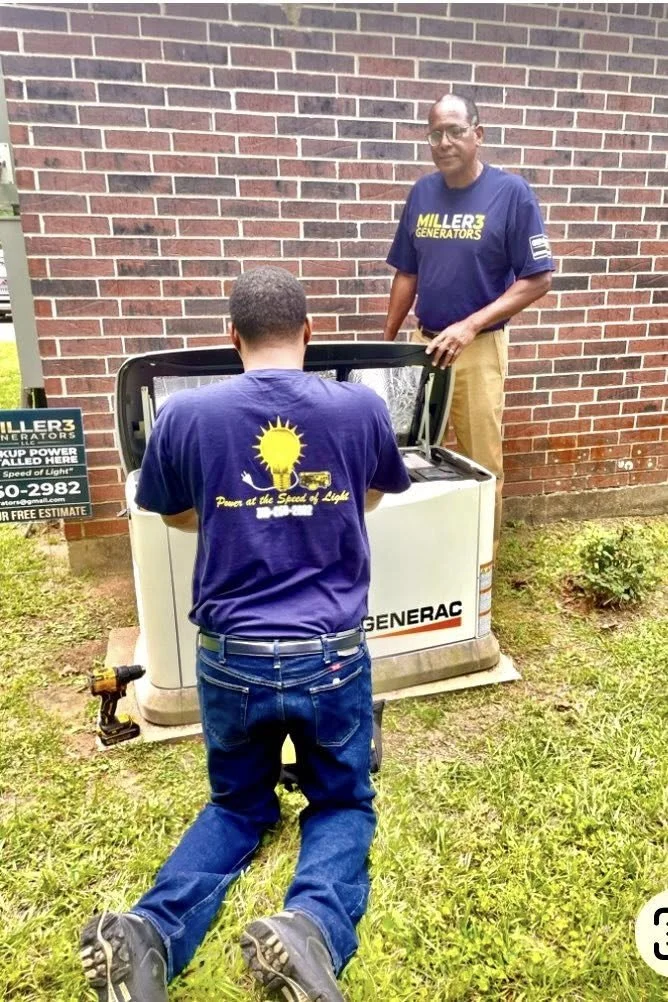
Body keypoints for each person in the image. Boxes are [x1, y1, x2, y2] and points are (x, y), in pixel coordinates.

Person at [79, 266, 410, 1002]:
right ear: (309, 333)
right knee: (342, 801)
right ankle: (310, 930)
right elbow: (374, 495)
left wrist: (241, 510)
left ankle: (149, 933)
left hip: (232, 658)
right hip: (329, 655)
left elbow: (171, 513)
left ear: (233, 339)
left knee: (237, 805)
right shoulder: (358, 407)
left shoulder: (187, 418)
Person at [383, 92, 555, 550]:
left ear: (477, 135)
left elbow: (537, 280)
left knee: (482, 464)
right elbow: (407, 272)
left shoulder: (510, 194)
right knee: (415, 452)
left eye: (455, 131)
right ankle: (433, 549)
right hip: (423, 347)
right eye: (434, 133)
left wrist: (470, 325)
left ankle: (482, 569)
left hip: (478, 352)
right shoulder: (422, 192)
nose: (444, 141)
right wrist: (386, 347)